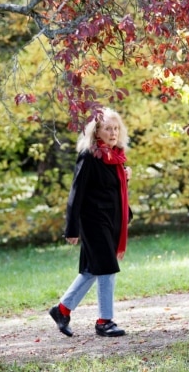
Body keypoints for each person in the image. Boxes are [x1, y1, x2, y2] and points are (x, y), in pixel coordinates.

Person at [49, 107, 133, 338]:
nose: (113, 132)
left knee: (91, 270)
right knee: (106, 268)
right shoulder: (89, 156)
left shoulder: (115, 157)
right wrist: (71, 228)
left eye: (116, 128)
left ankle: (62, 310)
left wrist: (125, 183)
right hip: (92, 222)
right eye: (108, 128)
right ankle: (104, 321)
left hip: (109, 220)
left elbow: (111, 192)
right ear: (97, 132)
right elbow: (76, 193)